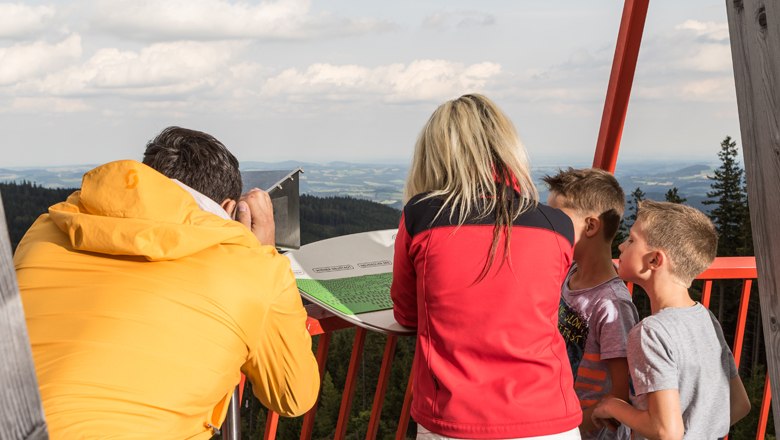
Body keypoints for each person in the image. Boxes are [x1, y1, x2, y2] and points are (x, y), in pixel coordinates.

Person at [14, 127, 320, 439]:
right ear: (229, 209)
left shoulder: (46, 230)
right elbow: (293, 396)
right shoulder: (256, 269)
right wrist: (262, 252)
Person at [391, 94, 582, 439]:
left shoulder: (421, 217)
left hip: (454, 417)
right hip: (550, 416)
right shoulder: (558, 226)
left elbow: (407, 315)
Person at [591, 200, 751, 439]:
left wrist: (612, 406)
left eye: (632, 240)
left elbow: (665, 430)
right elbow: (739, 404)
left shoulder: (651, 332)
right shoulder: (706, 318)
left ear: (655, 260)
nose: (622, 246)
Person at [544, 168, 639, 440]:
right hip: (560, 421)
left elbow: (620, 394)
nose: (550, 227)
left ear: (591, 226)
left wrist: (571, 430)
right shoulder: (568, 275)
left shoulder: (612, 306)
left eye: (558, 219)